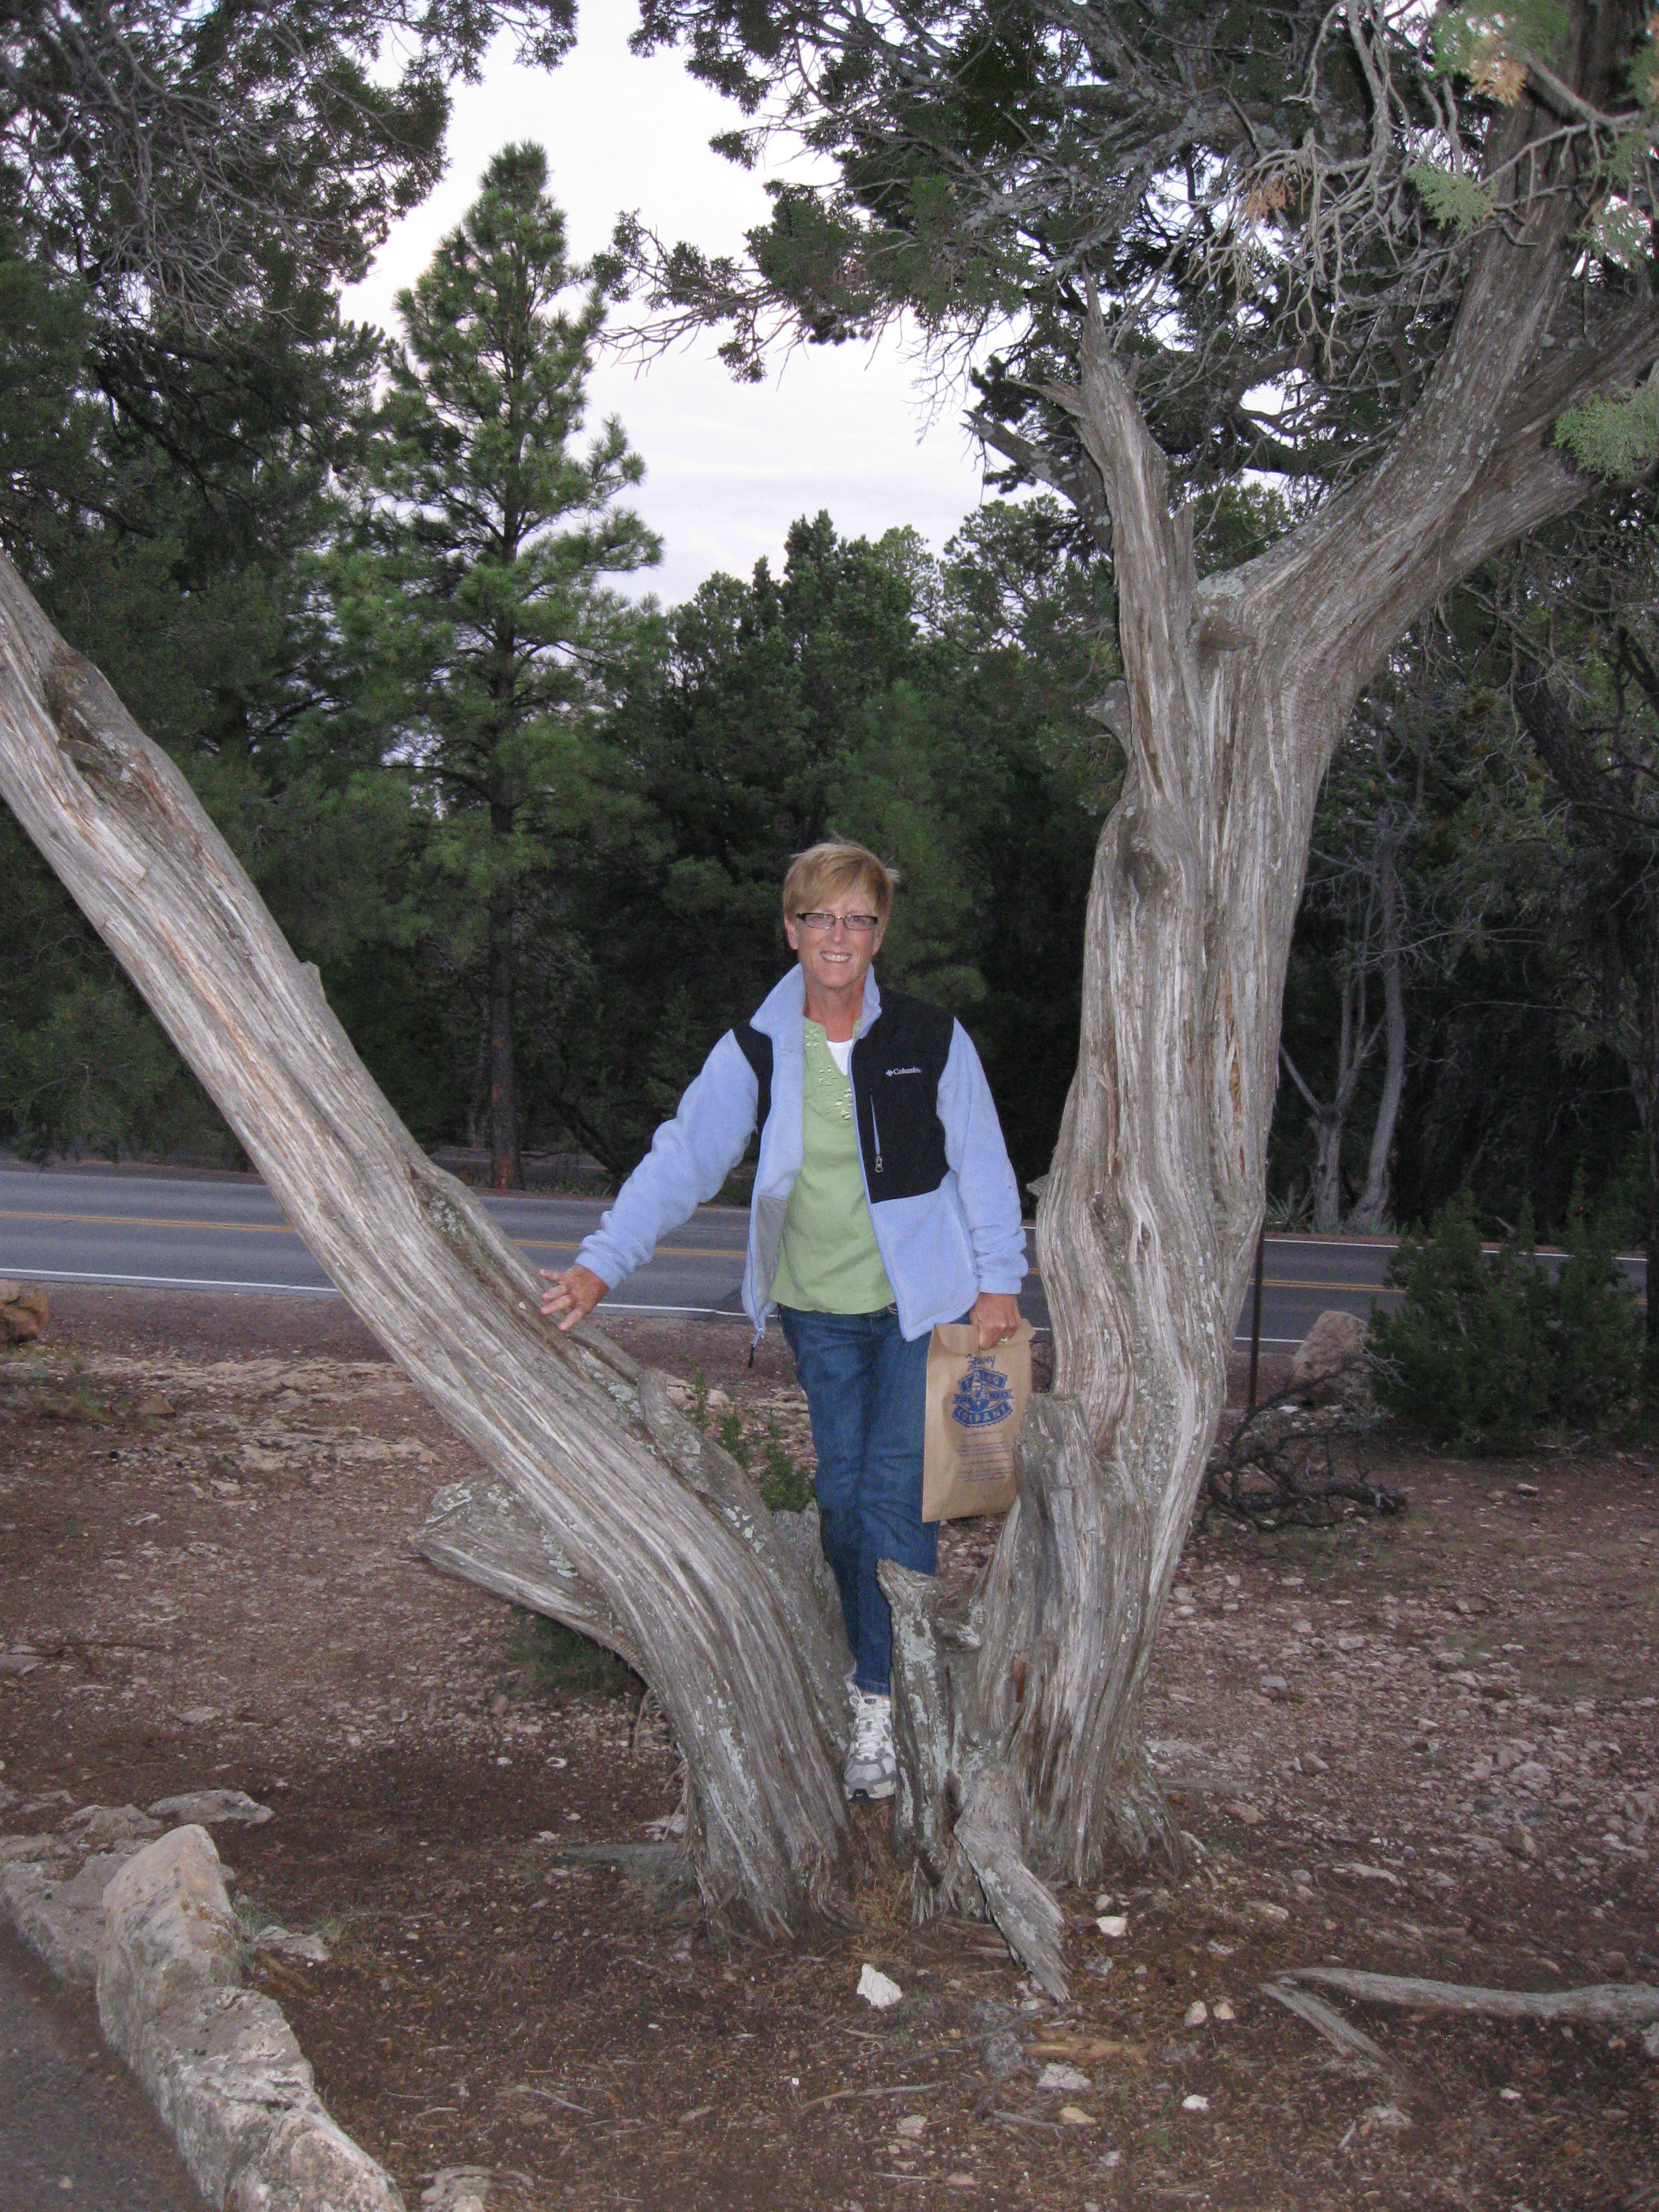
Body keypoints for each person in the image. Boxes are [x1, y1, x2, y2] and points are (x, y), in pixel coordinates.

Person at [540, 841, 1027, 1800]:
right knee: (844, 1505)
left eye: (857, 920)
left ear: (879, 935)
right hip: (818, 1310)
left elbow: (982, 1162)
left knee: (896, 1498)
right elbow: (685, 1157)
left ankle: (888, 1702)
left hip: (921, 1308)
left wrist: (1000, 1282)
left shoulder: (931, 1037)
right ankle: (874, 1651)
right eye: (819, 918)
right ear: (792, 929)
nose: (837, 937)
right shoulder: (757, 1045)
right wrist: (602, 1264)